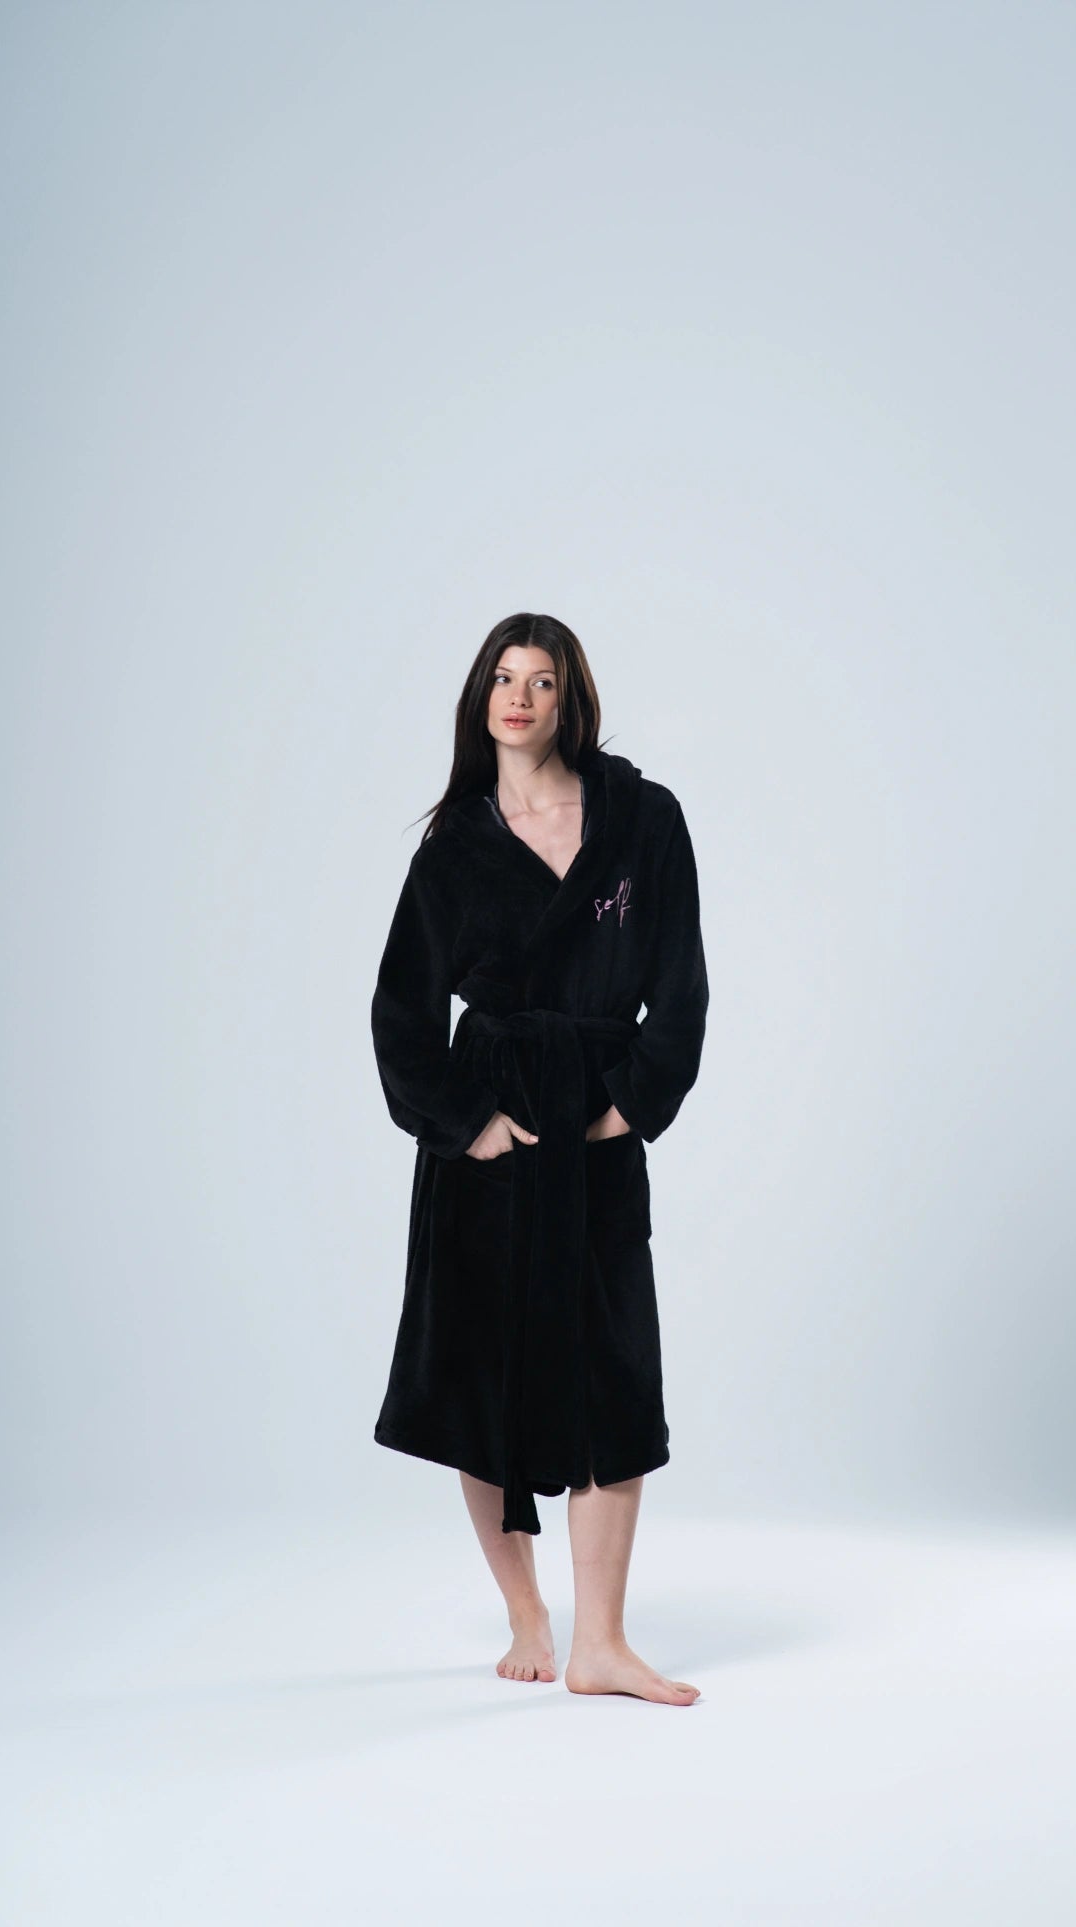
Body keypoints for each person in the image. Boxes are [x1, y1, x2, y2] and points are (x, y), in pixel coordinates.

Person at [370, 611, 709, 1705]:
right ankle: (528, 1612)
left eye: (542, 680)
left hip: (592, 1124)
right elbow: (400, 1015)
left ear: (572, 699)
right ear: (481, 699)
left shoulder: (642, 820)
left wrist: (626, 1106)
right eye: (503, 679)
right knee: (486, 1378)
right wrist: (467, 1123)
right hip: (491, 1139)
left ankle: (600, 1640)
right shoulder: (454, 849)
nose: (519, 697)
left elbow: (682, 987)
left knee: (615, 1375)